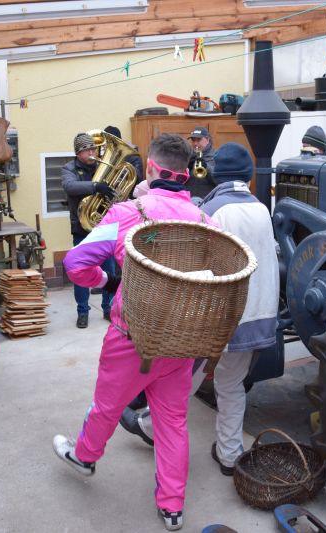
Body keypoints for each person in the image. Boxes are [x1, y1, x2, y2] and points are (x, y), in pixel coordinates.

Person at [54, 134, 215, 531]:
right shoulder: (205, 221)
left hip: (132, 337)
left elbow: (75, 263)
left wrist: (104, 281)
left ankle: (85, 457)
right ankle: (172, 508)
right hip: (181, 340)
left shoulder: (127, 212)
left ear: (151, 169)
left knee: (107, 406)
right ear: (185, 173)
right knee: (172, 421)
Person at [119, 143, 279, 479]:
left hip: (220, 318)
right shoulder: (261, 207)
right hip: (258, 314)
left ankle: (149, 427)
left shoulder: (213, 210)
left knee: (182, 380)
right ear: (248, 176)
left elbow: (198, 266)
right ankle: (229, 455)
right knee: (231, 385)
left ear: (217, 174)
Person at [61, 132, 117, 329]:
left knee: (109, 271)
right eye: (87, 150)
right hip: (81, 228)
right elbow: (69, 186)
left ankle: (108, 308)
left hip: (104, 227)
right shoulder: (69, 168)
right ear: (78, 153)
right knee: (80, 271)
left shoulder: (103, 166)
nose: (92, 153)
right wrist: (95, 186)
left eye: (93, 148)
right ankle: (83, 312)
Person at [185, 126, 217, 201]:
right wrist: (186, 167)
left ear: (207, 140)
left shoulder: (216, 156)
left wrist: (206, 167)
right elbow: (178, 180)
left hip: (208, 200)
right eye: (193, 140)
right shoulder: (187, 156)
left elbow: (219, 180)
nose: (195, 143)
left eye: (199, 140)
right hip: (189, 200)